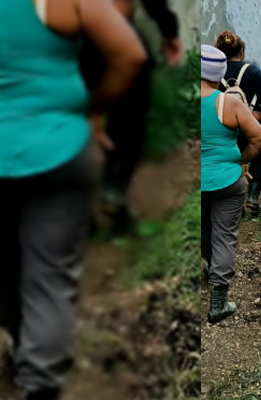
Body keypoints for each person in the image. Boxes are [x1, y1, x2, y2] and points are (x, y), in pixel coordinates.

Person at [0, 0, 147, 398]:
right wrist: (92, 111)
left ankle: (19, 334)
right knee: (49, 277)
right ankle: (41, 383)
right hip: (59, 148)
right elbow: (129, 54)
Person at [80, 0, 183, 235]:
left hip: (60, 38)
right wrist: (168, 27)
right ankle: (113, 192)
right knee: (130, 113)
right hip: (112, 29)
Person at [200, 45, 261, 324]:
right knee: (225, 236)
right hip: (227, 180)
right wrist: (242, 161)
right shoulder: (229, 103)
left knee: (203, 228)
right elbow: (259, 137)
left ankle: (208, 264)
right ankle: (218, 303)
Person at [215, 31, 261, 217]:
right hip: (251, 124)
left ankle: (233, 204)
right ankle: (252, 198)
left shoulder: (215, 71)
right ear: (241, 51)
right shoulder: (252, 71)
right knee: (260, 156)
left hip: (224, 126)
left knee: (229, 161)